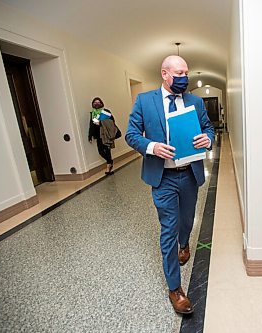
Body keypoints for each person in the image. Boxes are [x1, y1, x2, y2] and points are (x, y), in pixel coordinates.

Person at [125, 55, 214, 314]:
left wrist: (207, 140)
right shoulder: (144, 101)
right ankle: (175, 288)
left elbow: (209, 129)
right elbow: (131, 134)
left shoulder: (195, 102)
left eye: (186, 72)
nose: (183, 77)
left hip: (189, 175)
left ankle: (184, 243)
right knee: (168, 229)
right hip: (162, 178)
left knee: (186, 221)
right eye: (178, 73)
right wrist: (152, 146)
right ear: (164, 74)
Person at [88, 97, 116, 175]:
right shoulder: (93, 113)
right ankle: (110, 162)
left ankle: (108, 167)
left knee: (107, 150)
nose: (96, 104)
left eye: (98, 102)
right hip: (97, 135)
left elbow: (111, 121)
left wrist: (100, 123)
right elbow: (91, 125)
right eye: (95, 102)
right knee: (100, 151)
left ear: (101, 103)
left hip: (105, 134)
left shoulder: (105, 111)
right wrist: (90, 136)